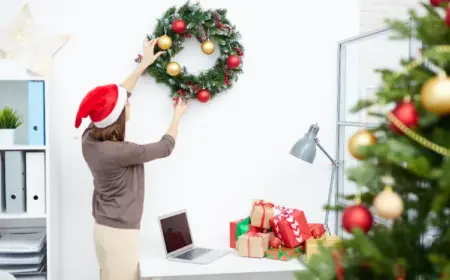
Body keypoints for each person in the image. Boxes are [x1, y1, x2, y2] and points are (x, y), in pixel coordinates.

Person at [74, 38, 188, 280]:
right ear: (118, 117)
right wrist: (177, 115)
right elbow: (166, 147)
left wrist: (142, 65)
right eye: (126, 104)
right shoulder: (122, 152)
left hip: (104, 229)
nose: (129, 103)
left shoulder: (89, 139)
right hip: (119, 235)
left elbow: (117, 95)